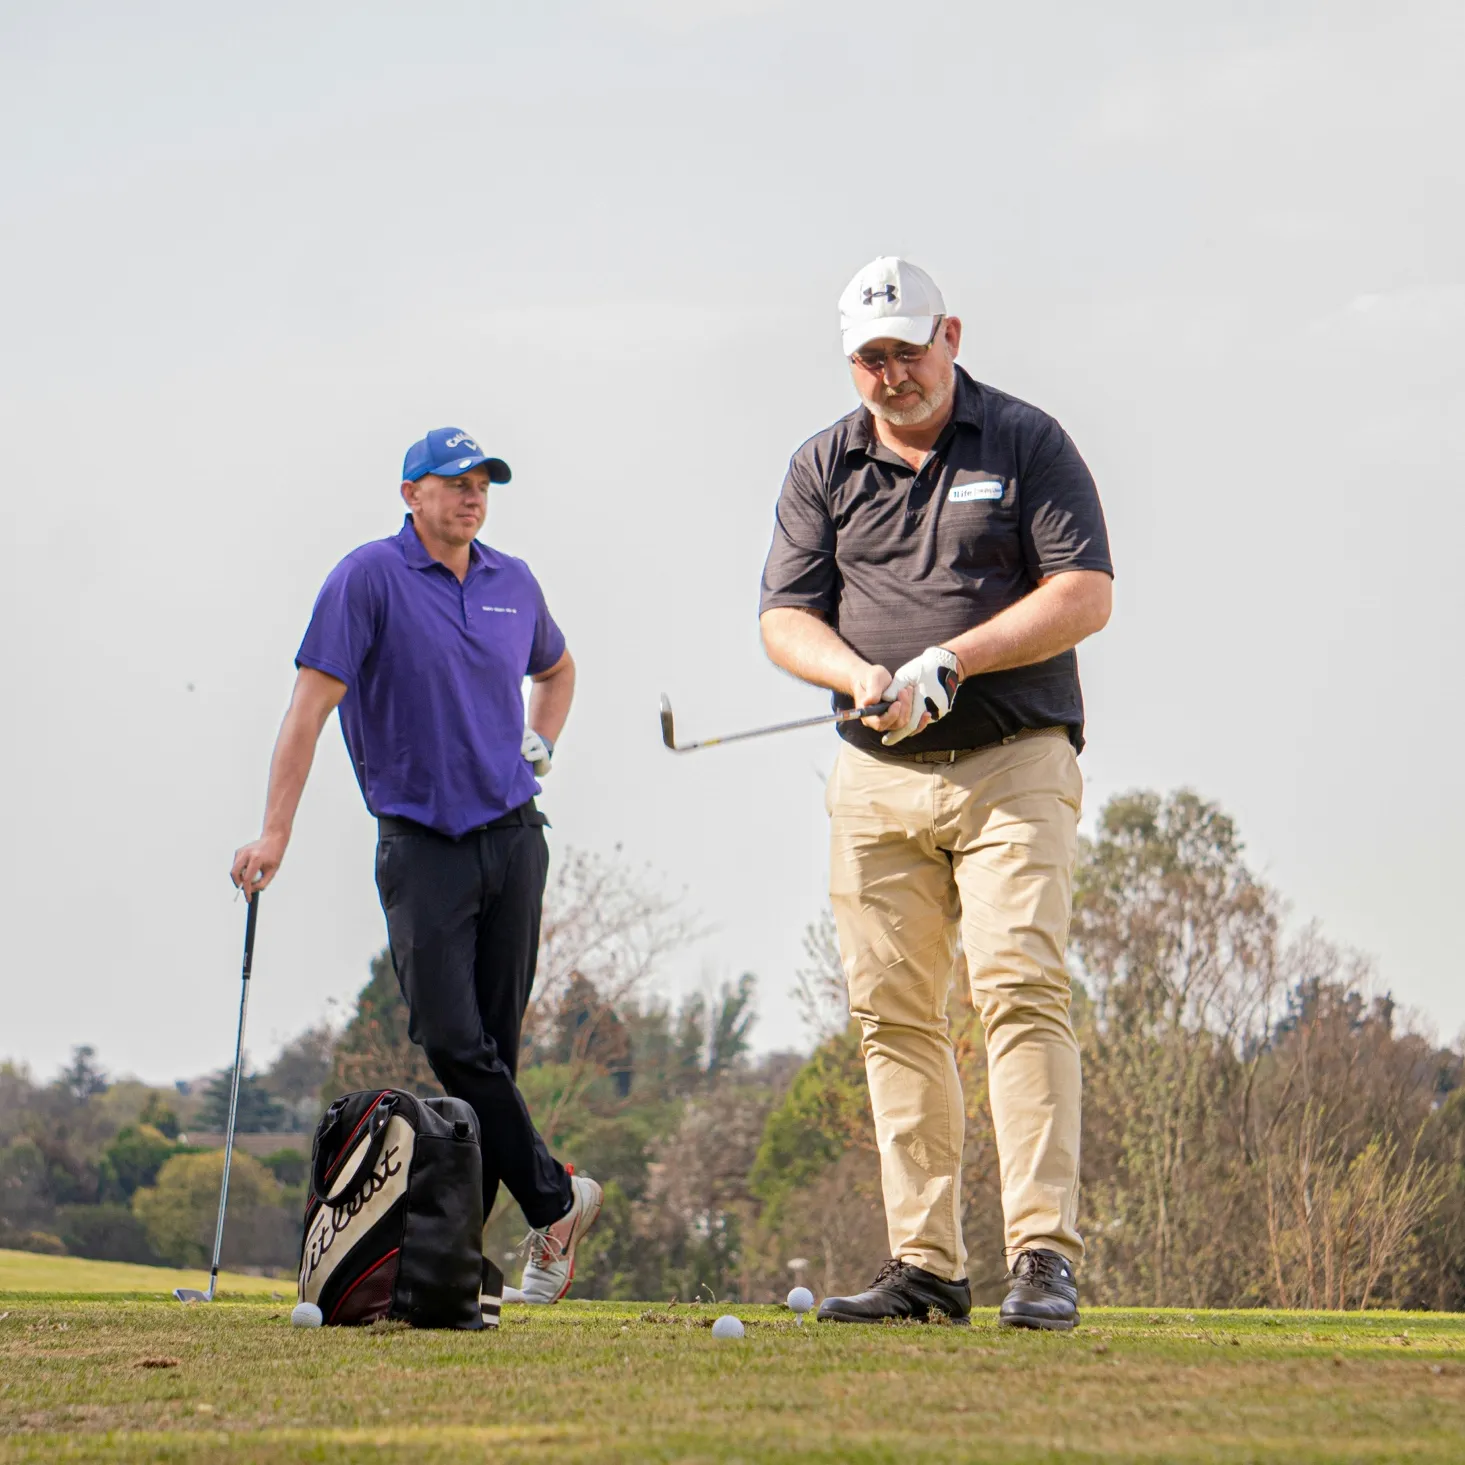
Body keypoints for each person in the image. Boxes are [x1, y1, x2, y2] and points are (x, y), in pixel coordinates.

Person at [759, 258, 1113, 1330]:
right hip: (876, 777)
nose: (891, 373)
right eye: (869, 356)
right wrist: (855, 673)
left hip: (1012, 760)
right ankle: (926, 1266)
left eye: (907, 349)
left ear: (949, 336)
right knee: (892, 1015)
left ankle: (1042, 1254)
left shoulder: (1025, 440)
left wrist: (954, 659)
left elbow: (1083, 592)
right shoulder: (823, 464)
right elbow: (784, 616)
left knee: (1019, 989)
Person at [230, 426, 601, 1305]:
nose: (472, 496)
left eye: (482, 484)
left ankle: (463, 1270)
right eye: (454, 481)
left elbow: (557, 669)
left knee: (493, 1056)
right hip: (421, 843)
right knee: (449, 1039)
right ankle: (556, 1202)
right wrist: (275, 832)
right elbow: (307, 709)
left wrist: (542, 742)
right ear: (410, 493)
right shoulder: (366, 578)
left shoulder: (514, 582)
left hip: (515, 837)